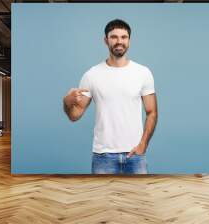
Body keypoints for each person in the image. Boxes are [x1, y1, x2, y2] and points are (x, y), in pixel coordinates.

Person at [63, 19, 158, 174]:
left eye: (123, 37)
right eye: (114, 37)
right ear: (106, 40)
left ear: (129, 41)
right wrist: (67, 102)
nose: (119, 41)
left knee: (138, 198)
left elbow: (152, 112)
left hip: (135, 156)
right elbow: (74, 115)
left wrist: (143, 144)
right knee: (102, 199)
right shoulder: (91, 75)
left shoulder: (143, 73)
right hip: (103, 156)